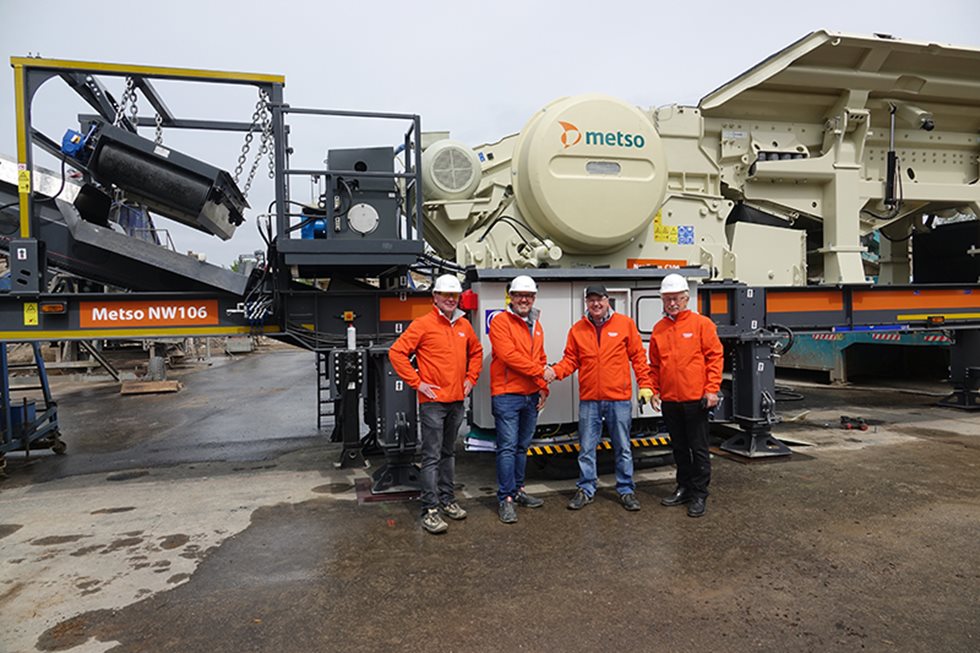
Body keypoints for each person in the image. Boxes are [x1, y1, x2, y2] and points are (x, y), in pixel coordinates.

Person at [545, 285, 654, 512]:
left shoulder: (625, 324)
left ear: (608, 300)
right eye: (591, 300)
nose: (596, 304)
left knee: (623, 447)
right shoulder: (578, 330)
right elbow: (570, 360)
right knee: (586, 448)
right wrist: (554, 372)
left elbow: (638, 358)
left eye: (600, 299)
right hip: (590, 400)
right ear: (586, 303)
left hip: (619, 399)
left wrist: (645, 385)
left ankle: (626, 490)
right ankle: (586, 488)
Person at [389, 274, 483, 534]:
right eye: (445, 295)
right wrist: (417, 383)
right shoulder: (423, 325)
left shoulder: (464, 325)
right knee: (431, 457)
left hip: (456, 401)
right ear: (435, 297)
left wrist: (470, 379)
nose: (450, 300)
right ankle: (430, 510)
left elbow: (476, 352)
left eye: (454, 296)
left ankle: (447, 500)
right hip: (432, 403)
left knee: (448, 454)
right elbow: (396, 352)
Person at [648, 273, 724, 518]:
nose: (672, 303)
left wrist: (712, 389)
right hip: (670, 400)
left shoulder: (702, 324)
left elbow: (714, 357)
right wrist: (654, 390)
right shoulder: (659, 329)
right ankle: (683, 487)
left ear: (686, 298)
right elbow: (655, 365)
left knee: (698, 448)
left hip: (695, 399)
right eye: (667, 299)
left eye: (676, 299)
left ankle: (699, 493)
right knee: (679, 448)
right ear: (662, 299)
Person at [489, 275, 548, 524]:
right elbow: (509, 356)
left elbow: (540, 357)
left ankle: (519, 490)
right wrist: (540, 373)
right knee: (507, 448)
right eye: (519, 295)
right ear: (510, 297)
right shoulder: (501, 322)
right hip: (507, 395)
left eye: (529, 295)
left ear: (534, 298)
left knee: (522, 447)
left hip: (529, 395)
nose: (524, 299)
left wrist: (543, 386)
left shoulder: (536, 324)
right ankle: (506, 499)